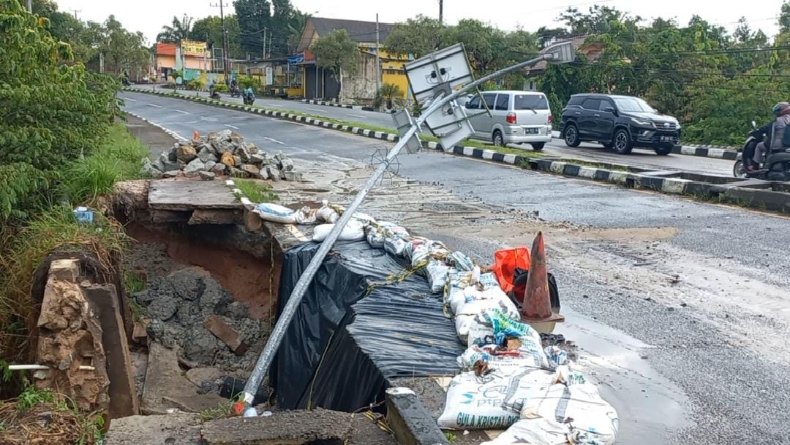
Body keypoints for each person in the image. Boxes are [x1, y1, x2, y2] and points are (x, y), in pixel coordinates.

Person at [752, 102, 790, 169]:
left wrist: (756, 132)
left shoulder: (777, 121)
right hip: (788, 147)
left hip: (776, 145)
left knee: (759, 146)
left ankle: (755, 167)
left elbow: (765, 129)